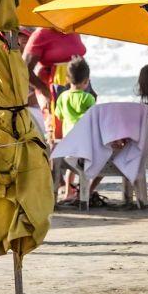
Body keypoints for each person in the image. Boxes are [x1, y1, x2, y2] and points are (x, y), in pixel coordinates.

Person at [22, 27, 88, 141]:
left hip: (79, 82)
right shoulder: (41, 34)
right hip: (54, 84)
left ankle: (80, 156)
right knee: (57, 128)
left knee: (81, 126)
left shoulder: (72, 28)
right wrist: (44, 90)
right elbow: (23, 68)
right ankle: (56, 157)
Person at [53, 57, 97, 203]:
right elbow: (93, 119)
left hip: (68, 141)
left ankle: (67, 193)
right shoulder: (88, 98)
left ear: (67, 78)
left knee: (71, 169)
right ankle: (85, 191)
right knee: (89, 164)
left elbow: (58, 115)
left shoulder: (62, 98)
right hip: (84, 141)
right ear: (87, 81)